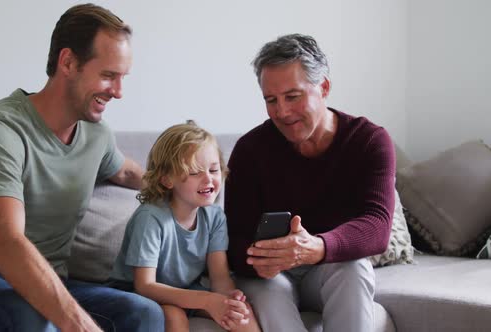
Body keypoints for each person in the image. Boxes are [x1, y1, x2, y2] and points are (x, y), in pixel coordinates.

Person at [0, 4, 164, 332]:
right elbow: (7, 245)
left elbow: (124, 172)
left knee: (144, 313)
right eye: (108, 75)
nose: (119, 92)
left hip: (51, 284)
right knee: (37, 315)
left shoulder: (97, 134)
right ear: (68, 62)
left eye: (122, 78)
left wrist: (179, 180)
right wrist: (80, 325)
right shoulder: (1, 130)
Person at [224, 33, 396, 332]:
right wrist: (259, 260)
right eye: (271, 100)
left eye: (293, 96)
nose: (282, 112)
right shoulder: (250, 150)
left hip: (330, 266)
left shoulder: (368, 140)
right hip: (272, 277)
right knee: (268, 292)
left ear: (324, 87)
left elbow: (377, 226)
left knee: (354, 268)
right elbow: (233, 240)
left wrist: (318, 247)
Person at [108, 122, 260, 332]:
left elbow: (220, 277)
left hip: (187, 290)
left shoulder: (214, 216)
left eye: (214, 169)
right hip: (136, 292)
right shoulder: (150, 218)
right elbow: (144, 286)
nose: (209, 178)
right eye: (195, 172)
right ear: (167, 179)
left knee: (241, 313)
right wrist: (205, 300)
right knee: (174, 315)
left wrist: (229, 298)